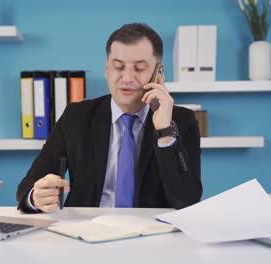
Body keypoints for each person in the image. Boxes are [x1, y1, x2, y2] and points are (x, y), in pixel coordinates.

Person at [17, 23, 202, 213]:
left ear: (158, 73)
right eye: (118, 67)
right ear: (107, 69)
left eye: (139, 68)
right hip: (86, 231)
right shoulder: (76, 117)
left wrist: (165, 131)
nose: (127, 77)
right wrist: (36, 197)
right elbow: (28, 186)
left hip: (152, 233)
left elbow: (187, 201)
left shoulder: (182, 120)